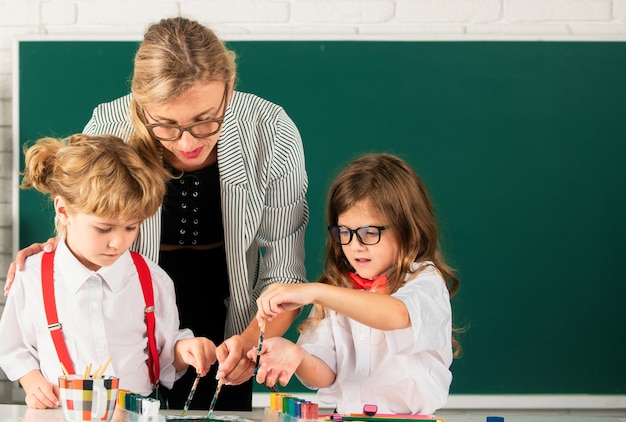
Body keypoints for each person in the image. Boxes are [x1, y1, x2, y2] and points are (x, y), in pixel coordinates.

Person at [4, 16, 308, 410]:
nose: (186, 143)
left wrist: (249, 344)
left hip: (234, 316)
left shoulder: (270, 131)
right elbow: (87, 211)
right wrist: (58, 250)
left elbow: (284, 275)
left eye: (205, 121)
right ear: (140, 103)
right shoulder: (109, 124)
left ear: (229, 89)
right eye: (165, 125)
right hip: (124, 310)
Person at [0, 134, 216, 409]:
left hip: (135, 414)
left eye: (131, 227)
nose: (119, 242)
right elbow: (12, 347)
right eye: (104, 229)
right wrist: (31, 382)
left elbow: (163, 353)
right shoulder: (32, 276)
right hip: (62, 415)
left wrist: (183, 351)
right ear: (64, 211)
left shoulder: (151, 279)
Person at [248, 153, 460, 415]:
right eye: (344, 232)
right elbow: (327, 374)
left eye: (370, 232)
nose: (354, 245)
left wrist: (315, 291)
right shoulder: (337, 290)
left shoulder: (424, 280)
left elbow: (395, 313)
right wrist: (297, 356)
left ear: (408, 228)